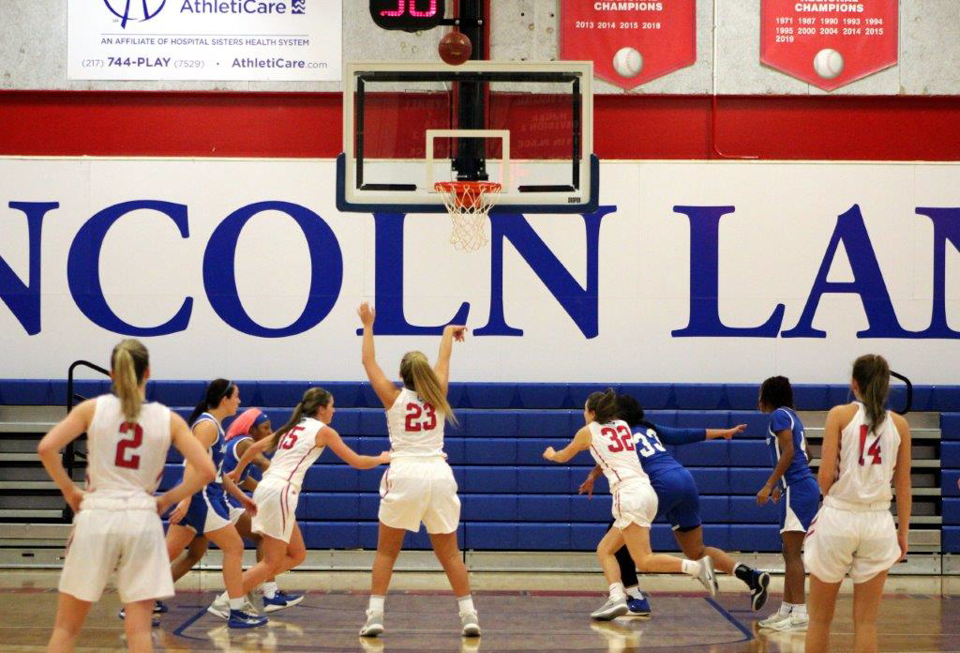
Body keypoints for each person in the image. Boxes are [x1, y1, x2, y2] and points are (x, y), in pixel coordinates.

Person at [37, 339, 216, 653]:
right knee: (139, 634)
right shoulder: (168, 419)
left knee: (66, 629)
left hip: (97, 513)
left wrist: (70, 490)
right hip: (142, 517)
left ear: (111, 374)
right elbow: (206, 470)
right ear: (148, 372)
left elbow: (46, 448)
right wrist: (166, 499)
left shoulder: (91, 409)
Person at [579, 394, 768, 617]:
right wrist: (723, 432)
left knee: (616, 540)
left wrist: (592, 474)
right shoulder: (649, 429)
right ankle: (750, 576)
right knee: (696, 550)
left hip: (661, 485)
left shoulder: (619, 432)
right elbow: (684, 435)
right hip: (685, 481)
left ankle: (635, 598)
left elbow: (612, 457)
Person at [356, 302, 479, 638]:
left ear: (403, 375)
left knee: (386, 552)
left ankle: (375, 616)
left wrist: (368, 325)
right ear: (423, 373)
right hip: (438, 474)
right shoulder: (439, 393)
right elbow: (444, 359)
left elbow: (368, 361)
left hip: (405, 472)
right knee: (450, 554)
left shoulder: (393, 398)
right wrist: (447, 333)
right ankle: (469, 615)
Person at [544, 389, 719, 621]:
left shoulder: (587, 432)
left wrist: (551, 454)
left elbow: (564, 456)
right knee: (605, 550)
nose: (583, 414)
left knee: (644, 560)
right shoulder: (623, 426)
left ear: (592, 412)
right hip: (648, 493)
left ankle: (697, 568)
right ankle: (617, 598)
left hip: (628, 495)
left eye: (584, 410)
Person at [228, 387, 389, 609]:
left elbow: (255, 446)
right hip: (281, 491)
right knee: (271, 561)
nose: (334, 411)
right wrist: (382, 458)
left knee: (297, 554)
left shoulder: (292, 426)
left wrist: (237, 471)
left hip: (268, 488)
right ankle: (229, 599)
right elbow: (358, 462)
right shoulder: (323, 431)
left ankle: (254, 589)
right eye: (332, 406)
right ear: (322, 409)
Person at [804, 355, 911, 653]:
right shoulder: (900, 425)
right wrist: (903, 533)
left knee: (820, 620)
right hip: (878, 522)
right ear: (886, 386)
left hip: (839, 516)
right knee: (866, 623)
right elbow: (903, 485)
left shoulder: (838, 415)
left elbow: (825, 477)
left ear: (854, 385)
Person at [169, 408, 303, 613]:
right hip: (215, 501)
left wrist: (259, 493)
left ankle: (149, 596)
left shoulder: (230, 443)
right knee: (260, 538)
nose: (269, 432)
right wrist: (281, 483)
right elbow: (264, 463)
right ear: (252, 429)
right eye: (265, 428)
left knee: (192, 554)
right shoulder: (244, 442)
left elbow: (239, 479)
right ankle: (265, 593)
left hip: (208, 499)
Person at [164, 379, 267, 628]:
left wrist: (242, 497)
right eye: (237, 397)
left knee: (168, 553)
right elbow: (192, 463)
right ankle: (235, 610)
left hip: (202, 493)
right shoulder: (208, 426)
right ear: (225, 399)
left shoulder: (215, 427)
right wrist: (187, 501)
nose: (239, 402)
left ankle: (139, 601)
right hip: (200, 496)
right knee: (234, 548)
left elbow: (218, 473)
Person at [755, 376, 820, 632]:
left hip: (798, 487)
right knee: (788, 551)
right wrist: (782, 485)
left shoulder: (778, 416)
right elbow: (808, 454)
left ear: (767, 396)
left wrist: (770, 484)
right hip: (797, 487)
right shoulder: (793, 416)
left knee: (792, 553)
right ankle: (787, 609)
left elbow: (790, 452)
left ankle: (800, 613)